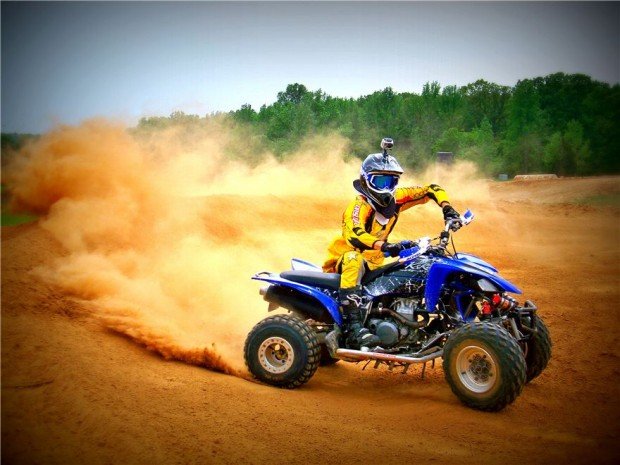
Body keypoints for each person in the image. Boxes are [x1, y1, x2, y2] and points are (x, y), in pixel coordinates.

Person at [322, 137, 461, 349]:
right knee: (353, 259)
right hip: (348, 259)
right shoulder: (358, 206)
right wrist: (385, 246)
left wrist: (447, 207)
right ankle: (354, 327)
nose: (386, 188)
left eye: (392, 182)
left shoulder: (398, 199)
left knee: (415, 263)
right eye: (380, 182)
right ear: (366, 179)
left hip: (377, 260)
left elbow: (430, 189)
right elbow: (354, 234)